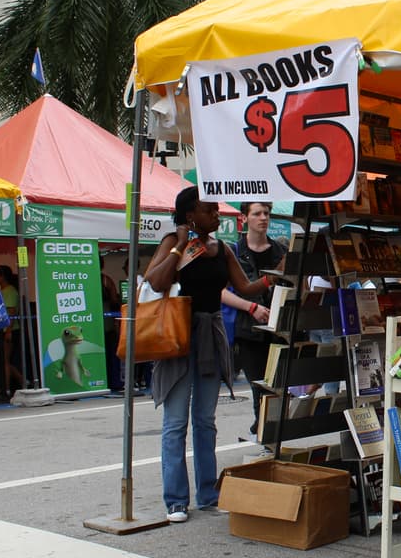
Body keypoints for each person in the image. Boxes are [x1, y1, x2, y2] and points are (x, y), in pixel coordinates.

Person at [145, 187, 269, 523]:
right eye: (209, 210)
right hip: (178, 336)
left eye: (216, 209)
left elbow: (244, 287)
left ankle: (208, 493)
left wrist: (278, 273)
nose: (216, 215)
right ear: (189, 216)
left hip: (210, 336)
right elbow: (156, 282)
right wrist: (179, 244)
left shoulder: (221, 248)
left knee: (205, 420)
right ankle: (175, 500)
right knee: (175, 422)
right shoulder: (174, 242)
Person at [221, 201, 287, 426]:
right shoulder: (234, 251)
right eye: (257, 213)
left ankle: (268, 431)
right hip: (248, 331)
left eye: (266, 213)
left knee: (279, 385)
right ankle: (263, 433)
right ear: (245, 218)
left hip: (279, 328)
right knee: (259, 385)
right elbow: (220, 291)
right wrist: (251, 307)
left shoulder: (281, 250)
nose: (263, 218)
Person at [0, 265, 23, 394]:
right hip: (2, 330)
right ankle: (22, 381)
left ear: (2, 276)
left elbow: (11, 312)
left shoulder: (10, 291)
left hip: (9, 330)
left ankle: (6, 388)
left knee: (4, 360)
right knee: (1, 360)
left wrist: (9, 331)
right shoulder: (2, 291)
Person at [98, 256, 123, 393]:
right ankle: (114, 382)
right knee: (111, 354)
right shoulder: (106, 280)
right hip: (107, 323)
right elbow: (114, 300)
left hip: (94, 323)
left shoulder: (83, 279)